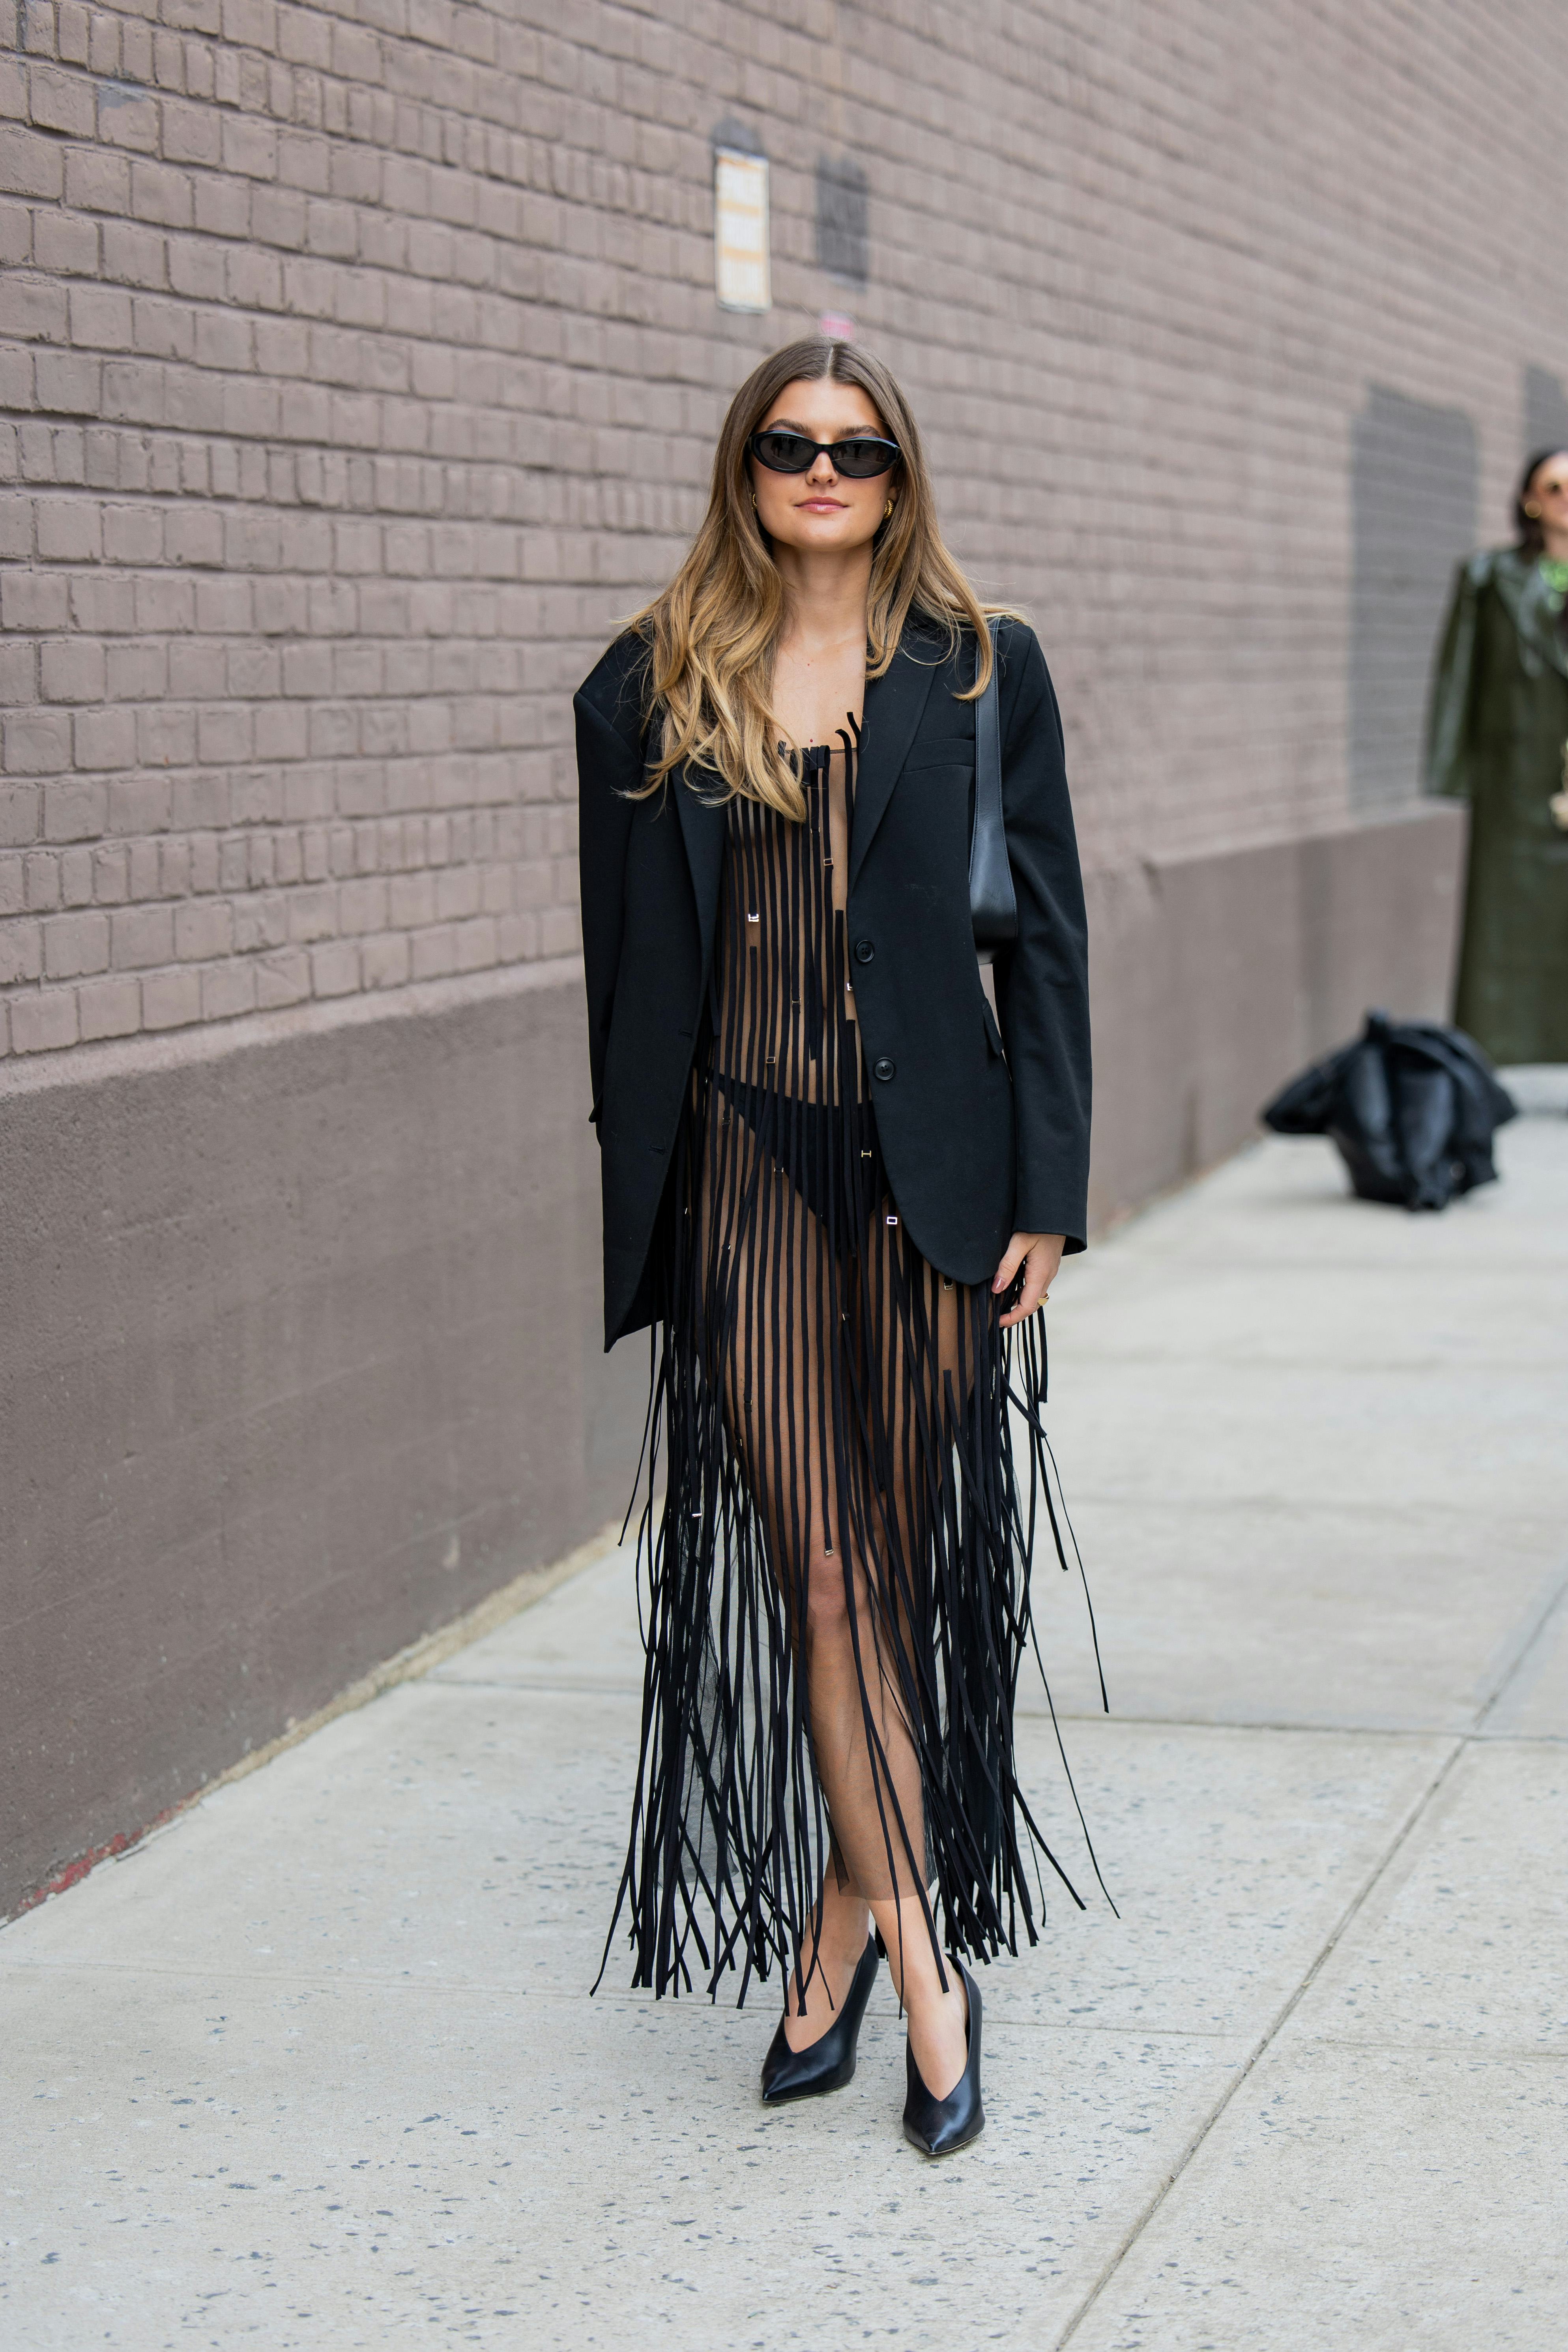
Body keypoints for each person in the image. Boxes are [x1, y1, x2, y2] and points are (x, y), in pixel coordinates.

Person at [573, 337, 1094, 2157]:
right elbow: (620, 972)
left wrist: (1046, 1180)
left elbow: (1042, 941)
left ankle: (838, 1911)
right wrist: (634, 1174)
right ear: (743, 468)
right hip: (748, 1172)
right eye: (789, 444)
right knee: (824, 1574)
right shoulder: (648, 683)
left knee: (894, 1561)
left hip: (933, 1176)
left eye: (854, 447)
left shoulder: (975, 670)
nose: (821, 468)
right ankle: (932, 1964)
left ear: (896, 475)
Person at [1427, 448, 1568, 1064]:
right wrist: (1452, 770)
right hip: (1514, 778)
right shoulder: (1489, 578)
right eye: (1555, 486)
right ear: (1530, 499)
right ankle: (1487, 1061)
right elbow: (1457, 675)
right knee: (1500, 930)